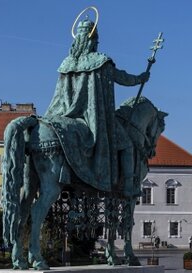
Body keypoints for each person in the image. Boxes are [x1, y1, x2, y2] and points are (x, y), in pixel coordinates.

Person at [44, 18, 150, 195]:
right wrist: (140, 78)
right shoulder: (100, 61)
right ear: (92, 40)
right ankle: (129, 186)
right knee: (127, 144)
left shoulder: (66, 64)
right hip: (94, 118)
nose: (97, 44)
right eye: (96, 40)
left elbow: (59, 94)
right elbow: (122, 78)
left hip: (64, 113)